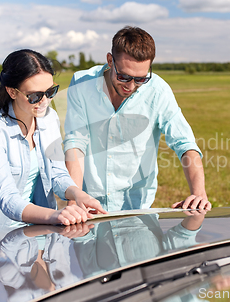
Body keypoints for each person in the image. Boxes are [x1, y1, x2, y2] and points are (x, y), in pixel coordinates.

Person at [0, 49, 105, 246]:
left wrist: (79, 195)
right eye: (35, 96)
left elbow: (57, 173)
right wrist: (55, 215)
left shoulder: (49, 118)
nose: (44, 102)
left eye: (50, 92)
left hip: (31, 230)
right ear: (12, 91)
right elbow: (7, 197)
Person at [63, 26, 210, 212]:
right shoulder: (82, 83)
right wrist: (74, 201)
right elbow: (76, 142)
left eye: (141, 79)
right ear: (110, 61)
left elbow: (185, 143)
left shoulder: (158, 91)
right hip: (89, 206)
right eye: (124, 76)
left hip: (137, 208)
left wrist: (199, 193)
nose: (131, 86)